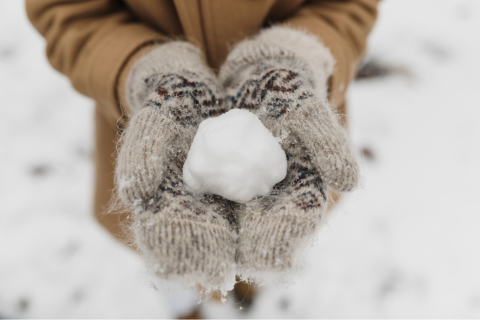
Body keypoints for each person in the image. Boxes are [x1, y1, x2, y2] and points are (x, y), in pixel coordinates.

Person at [26, 0, 380, 319]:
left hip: (289, 122)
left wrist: (293, 57)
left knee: (266, 240)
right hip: (154, 134)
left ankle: (244, 280)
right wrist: (141, 68)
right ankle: (183, 308)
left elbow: (351, 6)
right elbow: (67, 11)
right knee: (168, 243)